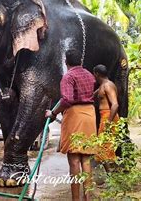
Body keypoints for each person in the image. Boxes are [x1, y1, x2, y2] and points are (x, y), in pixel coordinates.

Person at [46, 49, 96, 201]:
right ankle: (87, 198)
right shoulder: (89, 75)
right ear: (80, 61)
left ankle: (75, 199)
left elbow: (67, 99)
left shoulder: (68, 76)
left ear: (66, 62)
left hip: (75, 115)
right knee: (86, 159)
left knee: (74, 160)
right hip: (89, 114)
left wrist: (53, 113)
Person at [93, 64, 119, 168]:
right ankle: (109, 176)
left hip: (108, 117)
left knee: (106, 147)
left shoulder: (107, 85)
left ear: (97, 74)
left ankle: (111, 176)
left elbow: (115, 104)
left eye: (94, 74)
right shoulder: (102, 86)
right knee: (103, 147)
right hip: (105, 116)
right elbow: (91, 95)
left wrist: (108, 122)